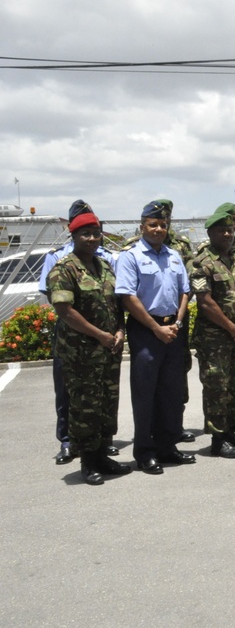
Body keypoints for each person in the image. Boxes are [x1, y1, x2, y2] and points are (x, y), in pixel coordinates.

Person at [46, 207, 132, 485]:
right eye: (87, 234)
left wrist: (119, 331)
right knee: (85, 406)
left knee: (108, 402)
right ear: (74, 235)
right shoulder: (64, 268)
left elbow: (117, 304)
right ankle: (88, 462)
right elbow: (65, 311)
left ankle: (104, 456)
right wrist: (100, 335)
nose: (93, 239)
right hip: (81, 352)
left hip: (108, 350)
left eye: (96, 234)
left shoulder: (105, 267)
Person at [115, 201, 196, 474]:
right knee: (145, 395)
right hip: (147, 333)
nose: (159, 228)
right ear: (142, 227)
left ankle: (167, 447)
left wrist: (178, 322)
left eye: (163, 224)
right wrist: (155, 328)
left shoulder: (174, 255)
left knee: (172, 394)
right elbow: (127, 296)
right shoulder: (131, 256)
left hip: (173, 330)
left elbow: (185, 291)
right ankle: (145, 452)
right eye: (153, 224)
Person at [189, 211, 235, 458]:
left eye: (230, 230)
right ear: (210, 233)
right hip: (214, 339)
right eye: (221, 230)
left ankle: (229, 431)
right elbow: (205, 302)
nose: (227, 234)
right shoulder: (201, 263)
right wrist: (231, 327)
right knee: (217, 388)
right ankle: (218, 440)